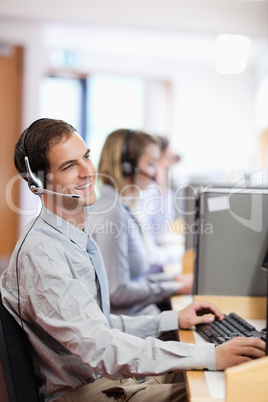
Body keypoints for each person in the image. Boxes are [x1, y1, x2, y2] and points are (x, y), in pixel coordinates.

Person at [1, 118, 265, 402]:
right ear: (37, 183)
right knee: (229, 393)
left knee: (233, 377)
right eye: (69, 166)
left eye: (86, 157)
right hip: (85, 392)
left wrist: (175, 318)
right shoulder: (43, 254)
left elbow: (99, 326)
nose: (88, 171)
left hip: (104, 378)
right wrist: (211, 354)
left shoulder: (72, 236)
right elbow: (101, 348)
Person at [86, 129, 192, 317]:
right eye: (151, 164)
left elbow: (136, 278)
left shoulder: (120, 207)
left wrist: (173, 280)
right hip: (130, 322)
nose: (155, 172)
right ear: (128, 166)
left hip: (138, 314)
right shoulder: (113, 214)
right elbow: (117, 292)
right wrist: (174, 287)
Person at [130, 135, 185, 274]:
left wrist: (162, 189)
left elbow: (162, 230)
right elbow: (151, 252)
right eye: (162, 160)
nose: (166, 165)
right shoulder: (140, 195)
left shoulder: (156, 190)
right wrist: (181, 252)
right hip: (146, 272)